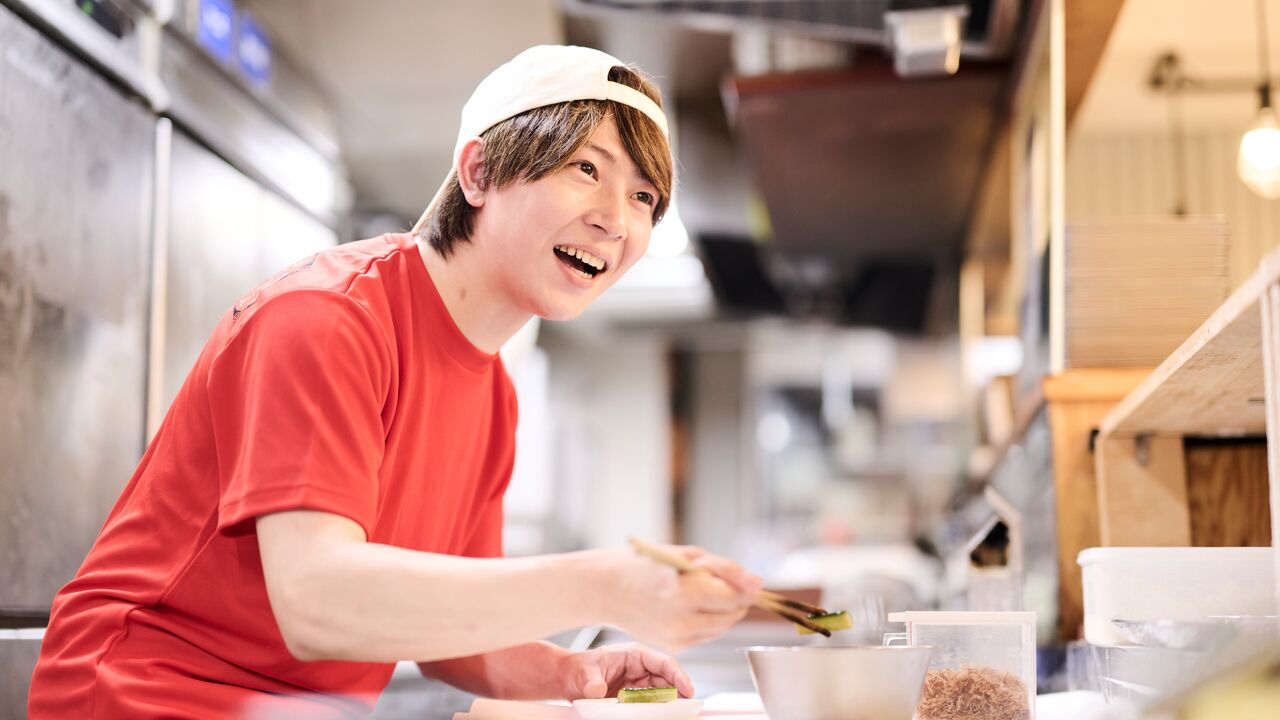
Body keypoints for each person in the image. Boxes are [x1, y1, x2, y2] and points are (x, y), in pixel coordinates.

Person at [27, 44, 762, 719]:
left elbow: (453, 639)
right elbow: (315, 601)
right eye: (587, 170)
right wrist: (604, 583)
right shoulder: (329, 318)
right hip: (141, 695)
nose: (616, 221)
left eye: (644, 198)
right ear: (478, 173)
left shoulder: (495, 395)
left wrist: (573, 672)